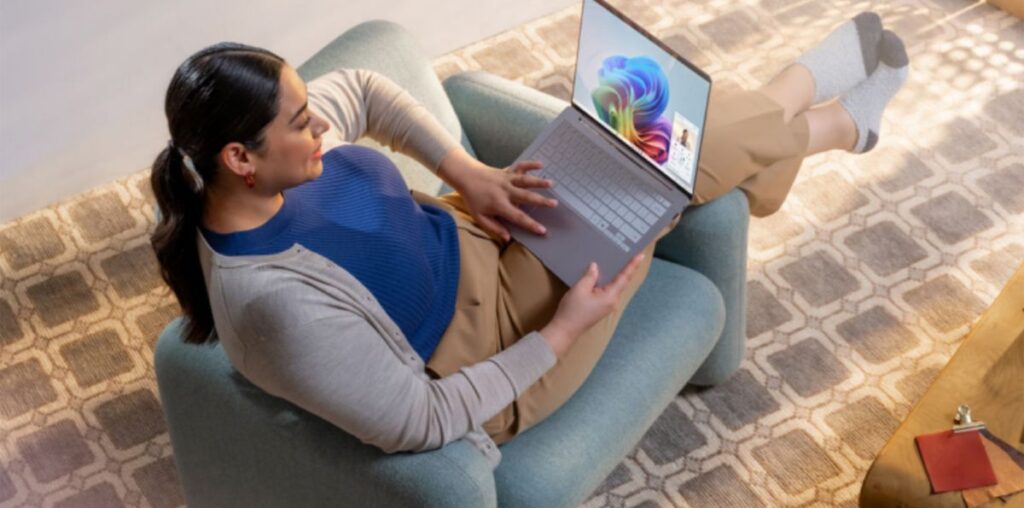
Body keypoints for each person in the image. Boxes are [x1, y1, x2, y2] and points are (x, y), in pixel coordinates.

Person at [150, 12, 907, 466]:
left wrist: (471, 172)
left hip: (475, 226)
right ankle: (818, 116)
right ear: (239, 159)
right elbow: (423, 419)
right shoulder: (272, 305)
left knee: (633, 124)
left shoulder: (273, 165)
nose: (321, 124)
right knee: (648, 167)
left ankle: (807, 124)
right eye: (300, 121)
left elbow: (367, 91)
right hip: (491, 347)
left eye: (310, 108)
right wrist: (564, 332)